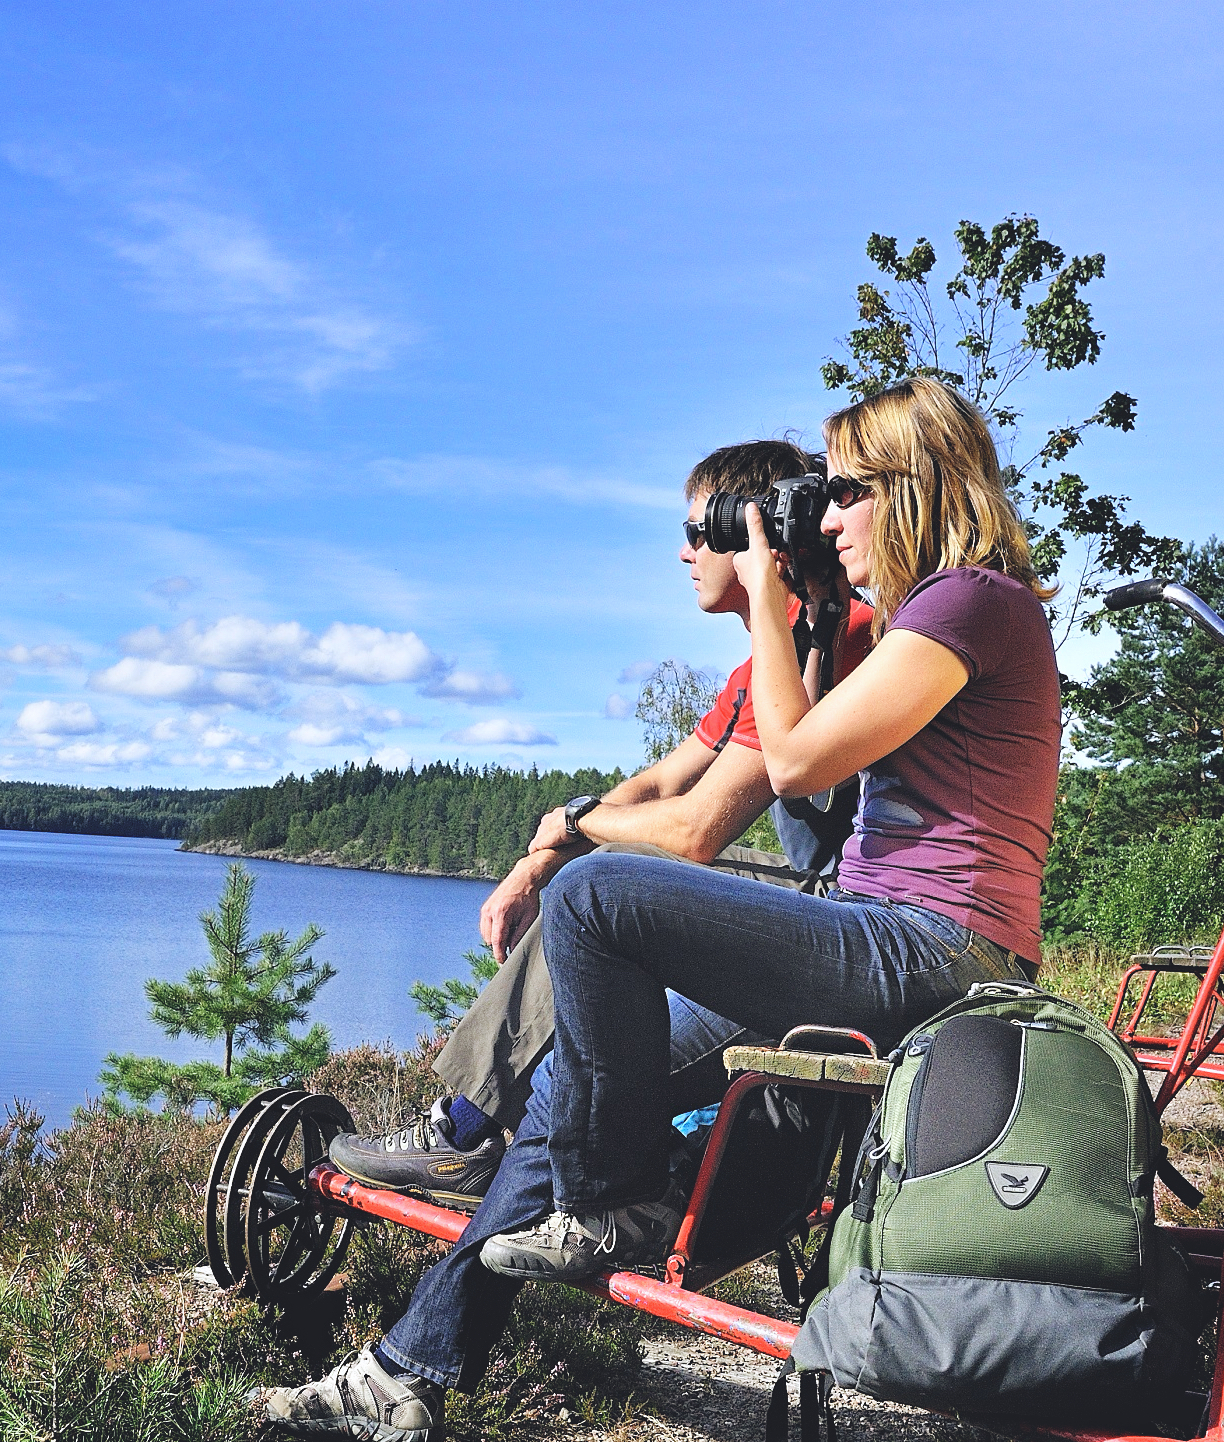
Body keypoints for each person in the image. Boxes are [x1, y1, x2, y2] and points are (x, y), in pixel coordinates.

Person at [253, 379, 1059, 1442]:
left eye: (846, 493)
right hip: (890, 938)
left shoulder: (971, 600)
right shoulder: (937, 609)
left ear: (914, 484)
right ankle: (407, 1368)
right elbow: (802, 786)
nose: (825, 518)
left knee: (593, 895)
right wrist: (799, 612)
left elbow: (798, 761)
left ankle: (609, 1196)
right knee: (565, 1085)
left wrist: (770, 597)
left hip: (935, 948)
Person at [323, 439, 877, 1211]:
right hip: (820, 905)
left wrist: (578, 832)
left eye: (697, 529)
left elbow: (694, 833)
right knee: (595, 878)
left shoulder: (835, 636)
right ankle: (477, 1129)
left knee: (604, 887)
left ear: (746, 532)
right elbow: (662, 780)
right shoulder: (762, 664)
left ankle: (465, 1135)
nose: (683, 553)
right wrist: (537, 860)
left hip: (842, 927)